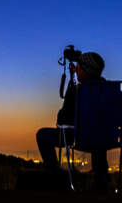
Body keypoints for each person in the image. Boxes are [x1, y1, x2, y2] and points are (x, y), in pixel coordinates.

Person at [36, 50, 110, 189]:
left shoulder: (78, 91)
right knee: (98, 132)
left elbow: (62, 122)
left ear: (86, 70)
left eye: (79, 67)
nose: (76, 69)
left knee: (42, 135)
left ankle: (55, 175)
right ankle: (102, 178)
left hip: (78, 137)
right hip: (105, 138)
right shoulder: (108, 91)